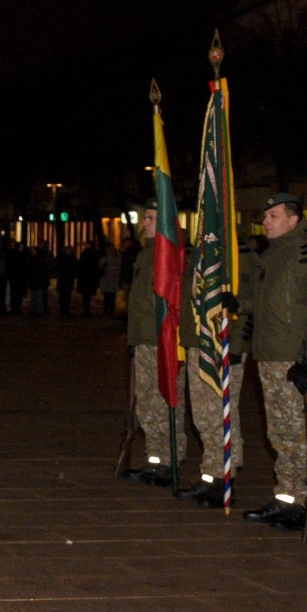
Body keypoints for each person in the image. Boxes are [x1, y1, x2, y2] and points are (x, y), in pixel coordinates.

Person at [241, 194, 307, 529]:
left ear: (294, 219)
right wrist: (239, 305)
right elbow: (268, 304)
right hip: (269, 355)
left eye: (274, 216)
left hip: (292, 359)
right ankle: (286, 497)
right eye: (265, 216)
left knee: (299, 433)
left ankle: (306, 499)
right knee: (279, 433)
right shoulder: (272, 254)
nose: (266, 221)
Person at [174, 239, 253, 506]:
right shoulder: (201, 251)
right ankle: (211, 474)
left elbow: (248, 302)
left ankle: (224, 476)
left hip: (221, 345)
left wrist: (237, 345)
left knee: (222, 413)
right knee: (203, 416)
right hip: (198, 342)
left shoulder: (235, 254)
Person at [123, 199, 185, 484]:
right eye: (145, 217)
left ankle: (170, 460)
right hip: (144, 338)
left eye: (151, 218)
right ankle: (154, 458)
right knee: (147, 403)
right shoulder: (146, 253)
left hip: (162, 340)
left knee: (165, 401)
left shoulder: (172, 253)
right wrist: (134, 338)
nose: (145, 223)